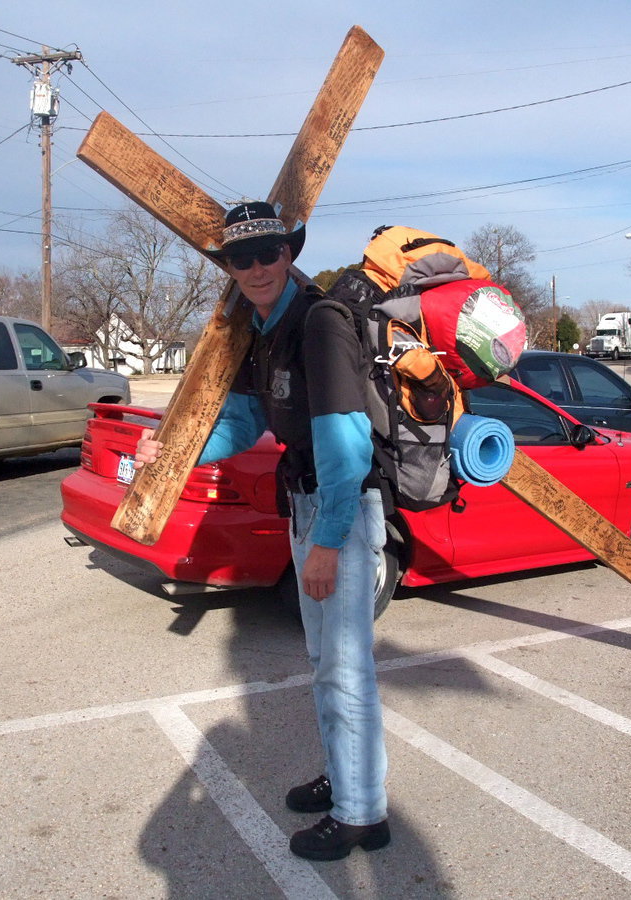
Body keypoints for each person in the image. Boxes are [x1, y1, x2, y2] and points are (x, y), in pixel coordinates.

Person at [134, 201, 390, 861]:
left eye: (266, 253)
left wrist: (329, 543)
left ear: (289, 253)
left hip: (341, 510)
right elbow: (245, 425)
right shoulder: (265, 326)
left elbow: (346, 444)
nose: (254, 268)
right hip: (306, 508)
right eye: (238, 258)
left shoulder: (319, 324)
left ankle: (362, 815)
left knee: (345, 667)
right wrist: (177, 449)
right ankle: (348, 781)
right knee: (324, 664)